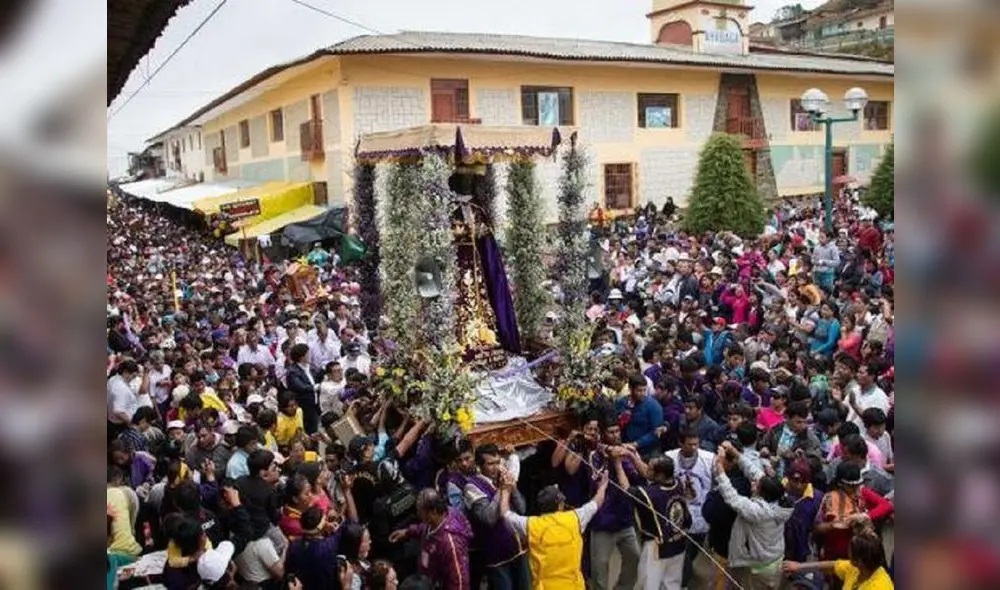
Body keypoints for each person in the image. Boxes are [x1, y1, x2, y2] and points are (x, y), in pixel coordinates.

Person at [500, 470, 610, 589]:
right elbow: (596, 502)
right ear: (560, 504)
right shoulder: (575, 518)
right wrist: (603, 486)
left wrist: (505, 490)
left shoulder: (531, 525)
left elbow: (505, 514)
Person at [711, 445, 794, 589]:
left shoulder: (758, 511)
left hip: (761, 567)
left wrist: (719, 467)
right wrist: (736, 453)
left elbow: (732, 497)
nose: (753, 482)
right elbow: (756, 473)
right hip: (774, 559)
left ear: (762, 494)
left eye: (756, 485)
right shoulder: (779, 498)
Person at [462, 444, 530, 590]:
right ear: (480, 466)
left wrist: (513, 487)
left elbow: (522, 509)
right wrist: (502, 490)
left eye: (498, 462)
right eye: (490, 464)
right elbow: (488, 518)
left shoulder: (503, 477)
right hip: (497, 554)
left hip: (519, 547)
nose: (496, 467)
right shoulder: (471, 487)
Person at [623, 453, 692, 590]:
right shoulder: (678, 483)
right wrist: (631, 455)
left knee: (648, 583)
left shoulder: (651, 494)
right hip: (679, 544)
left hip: (657, 547)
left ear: (660, 476)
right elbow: (649, 475)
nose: (646, 470)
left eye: (650, 469)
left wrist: (618, 464)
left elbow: (626, 489)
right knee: (671, 584)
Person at [388, 488, 473, 590]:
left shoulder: (450, 543)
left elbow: (459, 580)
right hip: (427, 577)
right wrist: (407, 532)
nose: (418, 515)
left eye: (421, 512)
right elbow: (424, 528)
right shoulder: (436, 519)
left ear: (433, 512)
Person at [783, 531, 893, 589]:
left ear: (858, 561)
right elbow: (833, 565)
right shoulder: (858, 568)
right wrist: (799, 567)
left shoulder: (880, 587)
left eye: (849, 550)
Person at [286, 343, 321, 435]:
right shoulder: (293, 371)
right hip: (303, 406)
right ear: (301, 357)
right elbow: (300, 387)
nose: (310, 356)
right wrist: (315, 387)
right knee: (307, 431)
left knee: (315, 429)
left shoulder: (311, 368)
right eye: (308, 354)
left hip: (314, 404)